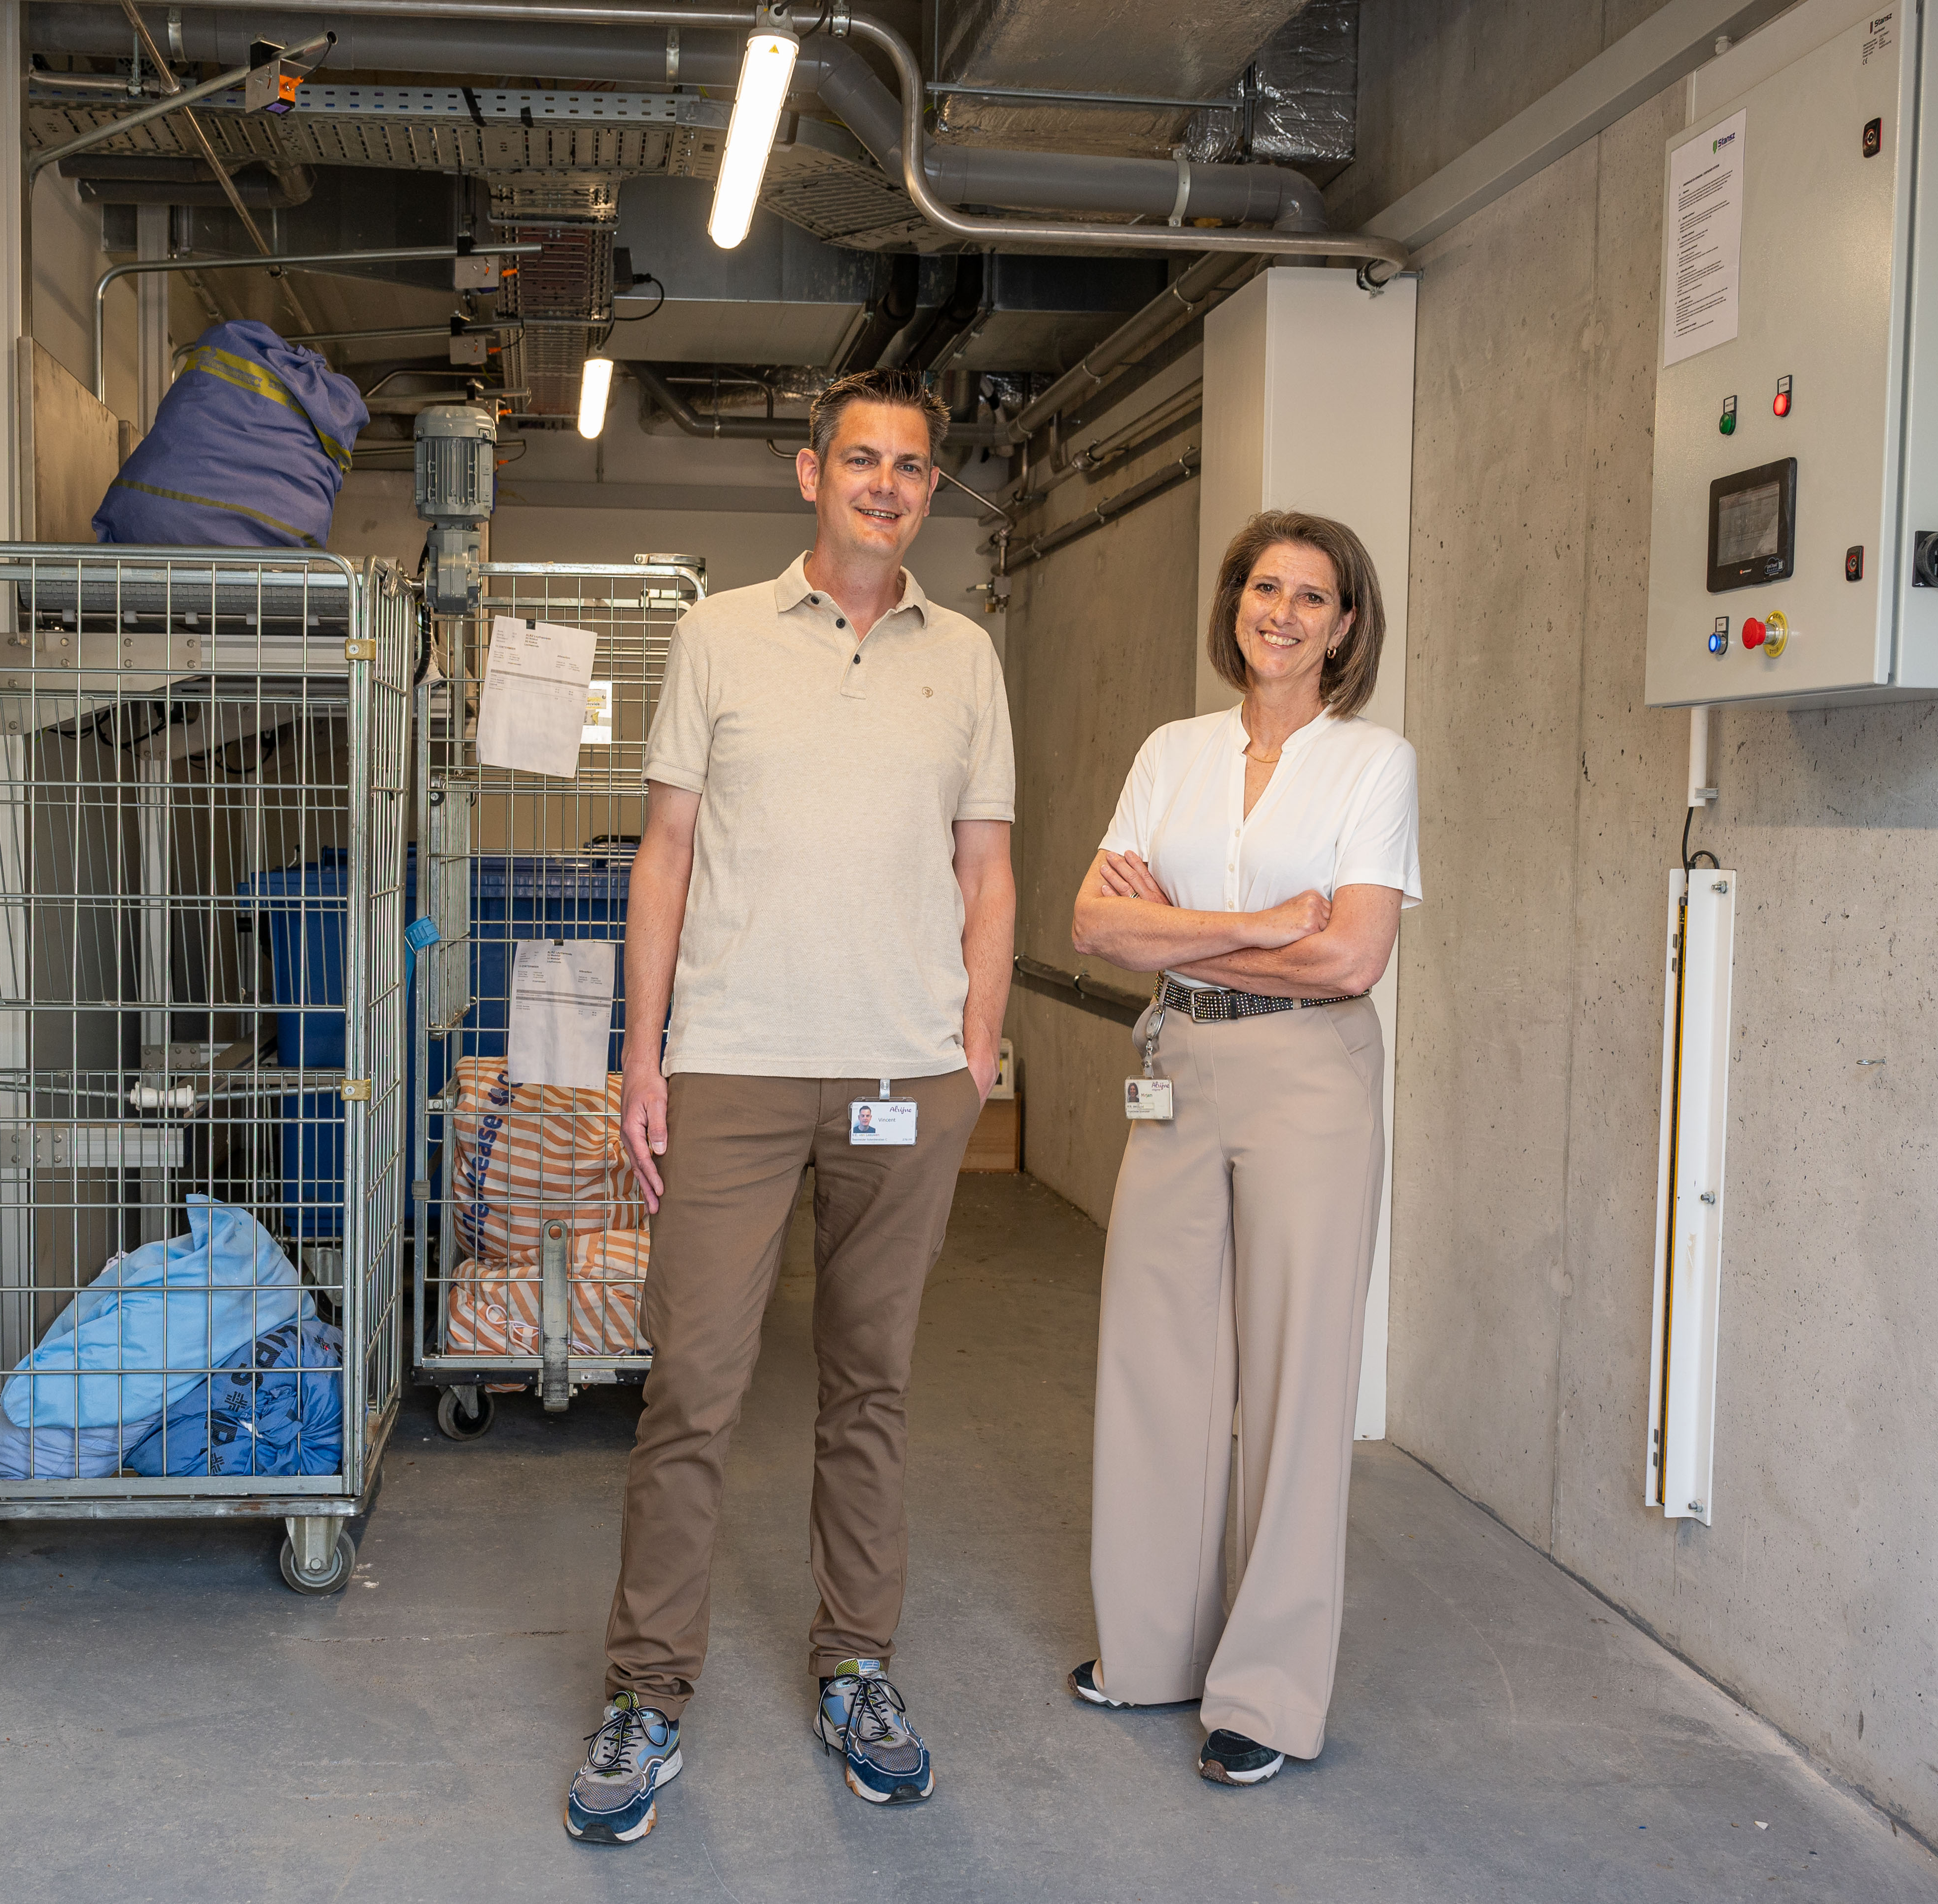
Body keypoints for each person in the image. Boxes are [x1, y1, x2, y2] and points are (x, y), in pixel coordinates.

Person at [563, 369, 1016, 1844]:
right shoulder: (716, 636)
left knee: (869, 1390)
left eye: (911, 465)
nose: (885, 484)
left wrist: (973, 1054)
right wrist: (645, 1057)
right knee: (690, 1388)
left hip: (900, 1075)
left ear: (930, 490)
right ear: (810, 475)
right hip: (738, 1068)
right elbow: (667, 853)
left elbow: (988, 870)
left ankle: (857, 1670)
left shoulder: (968, 658)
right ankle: (644, 1693)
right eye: (860, 460)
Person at [1064, 510, 1419, 1788]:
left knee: (1291, 1380)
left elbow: (1348, 956)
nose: (1280, 610)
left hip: (1308, 1077)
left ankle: (1263, 1697)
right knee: (1151, 1354)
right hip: (1179, 1062)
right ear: (1234, 606)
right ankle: (1150, 1650)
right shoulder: (1172, 750)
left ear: (1343, 626)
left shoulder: (1372, 762)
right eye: (1261, 587)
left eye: (1309, 596)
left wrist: (1185, 930)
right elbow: (1093, 925)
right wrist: (1261, 921)